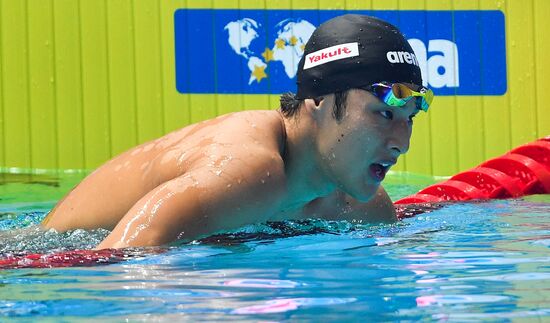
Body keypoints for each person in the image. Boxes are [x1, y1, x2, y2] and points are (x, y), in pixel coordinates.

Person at [41, 14, 433, 249]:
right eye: (384, 115)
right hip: (51, 251)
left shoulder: (361, 205)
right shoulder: (244, 170)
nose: (402, 143)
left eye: (410, 119)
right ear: (320, 101)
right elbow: (107, 265)